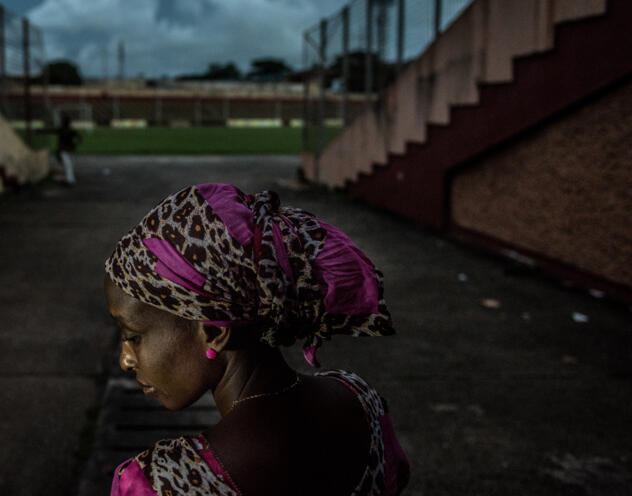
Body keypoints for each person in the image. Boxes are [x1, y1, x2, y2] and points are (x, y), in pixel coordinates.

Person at [104, 183, 409, 495]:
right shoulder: (363, 404)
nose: (125, 360)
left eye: (133, 336)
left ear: (213, 332)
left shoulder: (161, 483)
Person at [55, 115, 81, 185]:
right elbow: (79, 137)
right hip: (68, 149)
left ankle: (69, 180)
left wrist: (76, 143)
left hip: (65, 150)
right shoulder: (70, 130)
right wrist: (76, 144)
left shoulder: (63, 130)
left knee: (68, 165)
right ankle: (69, 179)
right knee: (69, 165)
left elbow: (79, 137)